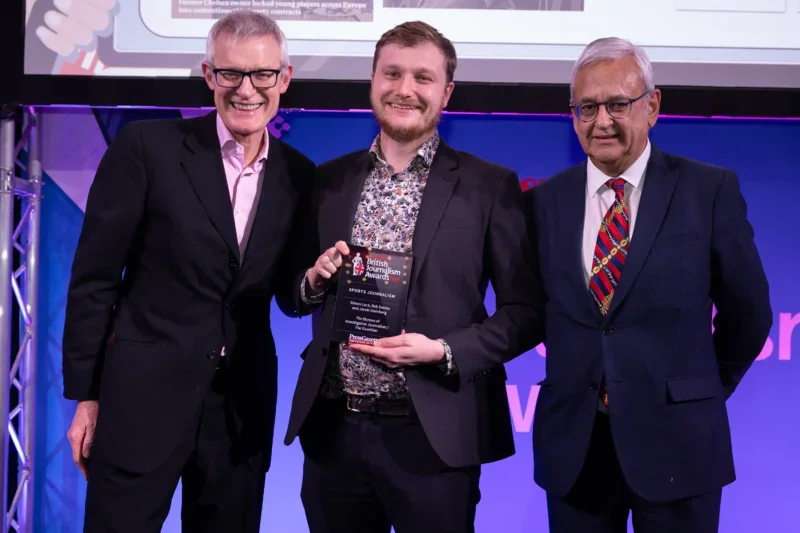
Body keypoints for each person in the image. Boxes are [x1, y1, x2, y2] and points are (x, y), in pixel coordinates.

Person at [282, 21, 544, 533]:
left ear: (446, 92)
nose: (404, 89)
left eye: (422, 77)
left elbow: (527, 314)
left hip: (434, 437)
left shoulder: (489, 186)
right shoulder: (327, 180)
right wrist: (311, 282)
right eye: (392, 73)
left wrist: (442, 351)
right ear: (373, 80)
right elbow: (291, 294)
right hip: (334, 431)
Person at [61, 10, 315, 533]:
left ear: (283, 79)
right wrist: (86, 397)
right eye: (231, 74)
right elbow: (94, 279)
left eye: (262, 74)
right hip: (139, 407)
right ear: (208, 75)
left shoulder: (299, 174)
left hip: (239, 414)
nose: (247, 89)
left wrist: (313, 282)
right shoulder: (147, 149)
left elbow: (290, 295)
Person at [526, 37, 772, 533]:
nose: (602, 121)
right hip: (577, 452)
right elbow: (533, 309)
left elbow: (749, 314)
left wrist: (695, 391)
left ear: (652, 105)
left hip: (679, 446)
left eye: (619, 104)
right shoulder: (544, 202)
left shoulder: (708, 190)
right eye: (587, 107)